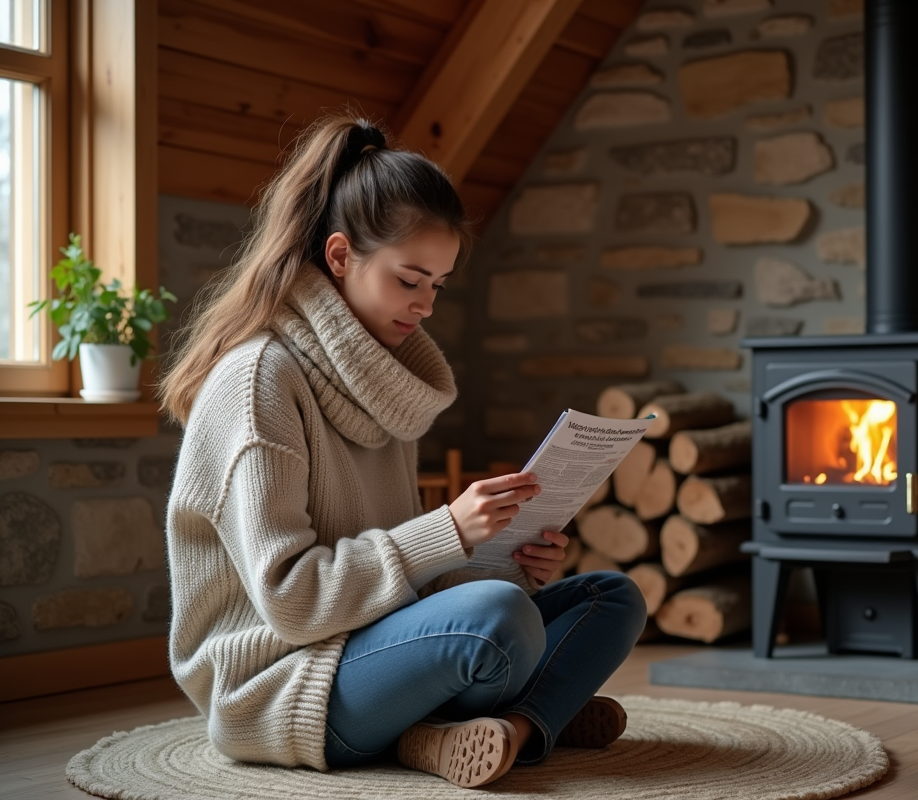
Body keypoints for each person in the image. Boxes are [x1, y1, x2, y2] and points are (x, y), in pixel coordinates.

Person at [158, 114, 646, 789]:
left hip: (371, 645)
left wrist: (511, 565)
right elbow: (291, 602)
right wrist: (447, 532)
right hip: (284, 682)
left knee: (610, 597)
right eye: (409, 280)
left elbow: (402, 587)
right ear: (340, 256)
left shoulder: (379, 380)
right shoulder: (259, 381)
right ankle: (535, 710)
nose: (425, 306)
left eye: (437, 285)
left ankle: (513, 726)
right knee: (498, 622)